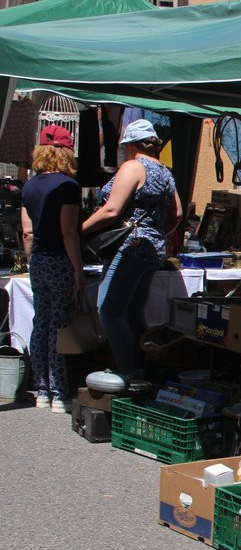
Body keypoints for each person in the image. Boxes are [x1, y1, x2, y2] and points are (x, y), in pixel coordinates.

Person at [81, 119, 182, 379]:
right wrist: (159, 232)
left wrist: (79, 230)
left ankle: (129, 370)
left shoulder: (133, 166)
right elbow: (178, 213)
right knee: (135, 311)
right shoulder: (165, 172)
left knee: (110, 310)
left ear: (131, 145)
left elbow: (112, 210)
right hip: (152, 248)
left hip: (130, 246)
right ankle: (143, 368)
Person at [20, 125, 84, 413]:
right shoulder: (67, 186)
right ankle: (59, 393)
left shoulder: (30, 185)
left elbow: (27, 232)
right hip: (59, 259)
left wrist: (32, 259)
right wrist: (78, 269)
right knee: (59, 326)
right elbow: (68, 231)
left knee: (40, 323)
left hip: (39, 259)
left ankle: (42, 390)